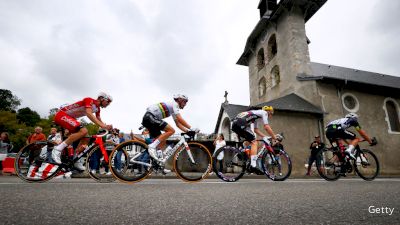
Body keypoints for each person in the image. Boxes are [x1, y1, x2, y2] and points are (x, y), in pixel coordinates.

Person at [51, 92, 113, 170]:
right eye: (108, 101)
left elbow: (99, 119)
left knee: (86, 137)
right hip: (62, 114)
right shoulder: (89, 100)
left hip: (71, 118)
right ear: (101, 98)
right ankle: (57, 149)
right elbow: (89, 113)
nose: (108, 104)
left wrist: (106, 127)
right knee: (83, 131)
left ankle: (75, 159)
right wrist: (102, 125)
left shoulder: (98, 109)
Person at [140, 94, 198, 163]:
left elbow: (178, 124)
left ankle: (157, 162)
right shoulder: (175, 104)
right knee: (171, 130)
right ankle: (152, 146)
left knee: (162, 141)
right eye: (185, 102)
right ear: (179, 100)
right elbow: (179, 118)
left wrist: (188, 131)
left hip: (150, 119)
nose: (185, 104)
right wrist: (191, 128)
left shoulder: (173, 110)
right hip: (150, 116)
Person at [231, 106, 281, 171]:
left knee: (250, 140)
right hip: (241, 123)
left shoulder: (255, 116)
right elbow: (266, 127)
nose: (271, 115)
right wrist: (274, 137)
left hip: (235, 124)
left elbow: (255, 130)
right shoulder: (264, 113)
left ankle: (240, 151)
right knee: (254, 142)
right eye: (271, 113)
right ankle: (253, 164)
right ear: (268, 111)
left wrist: (265, 136)